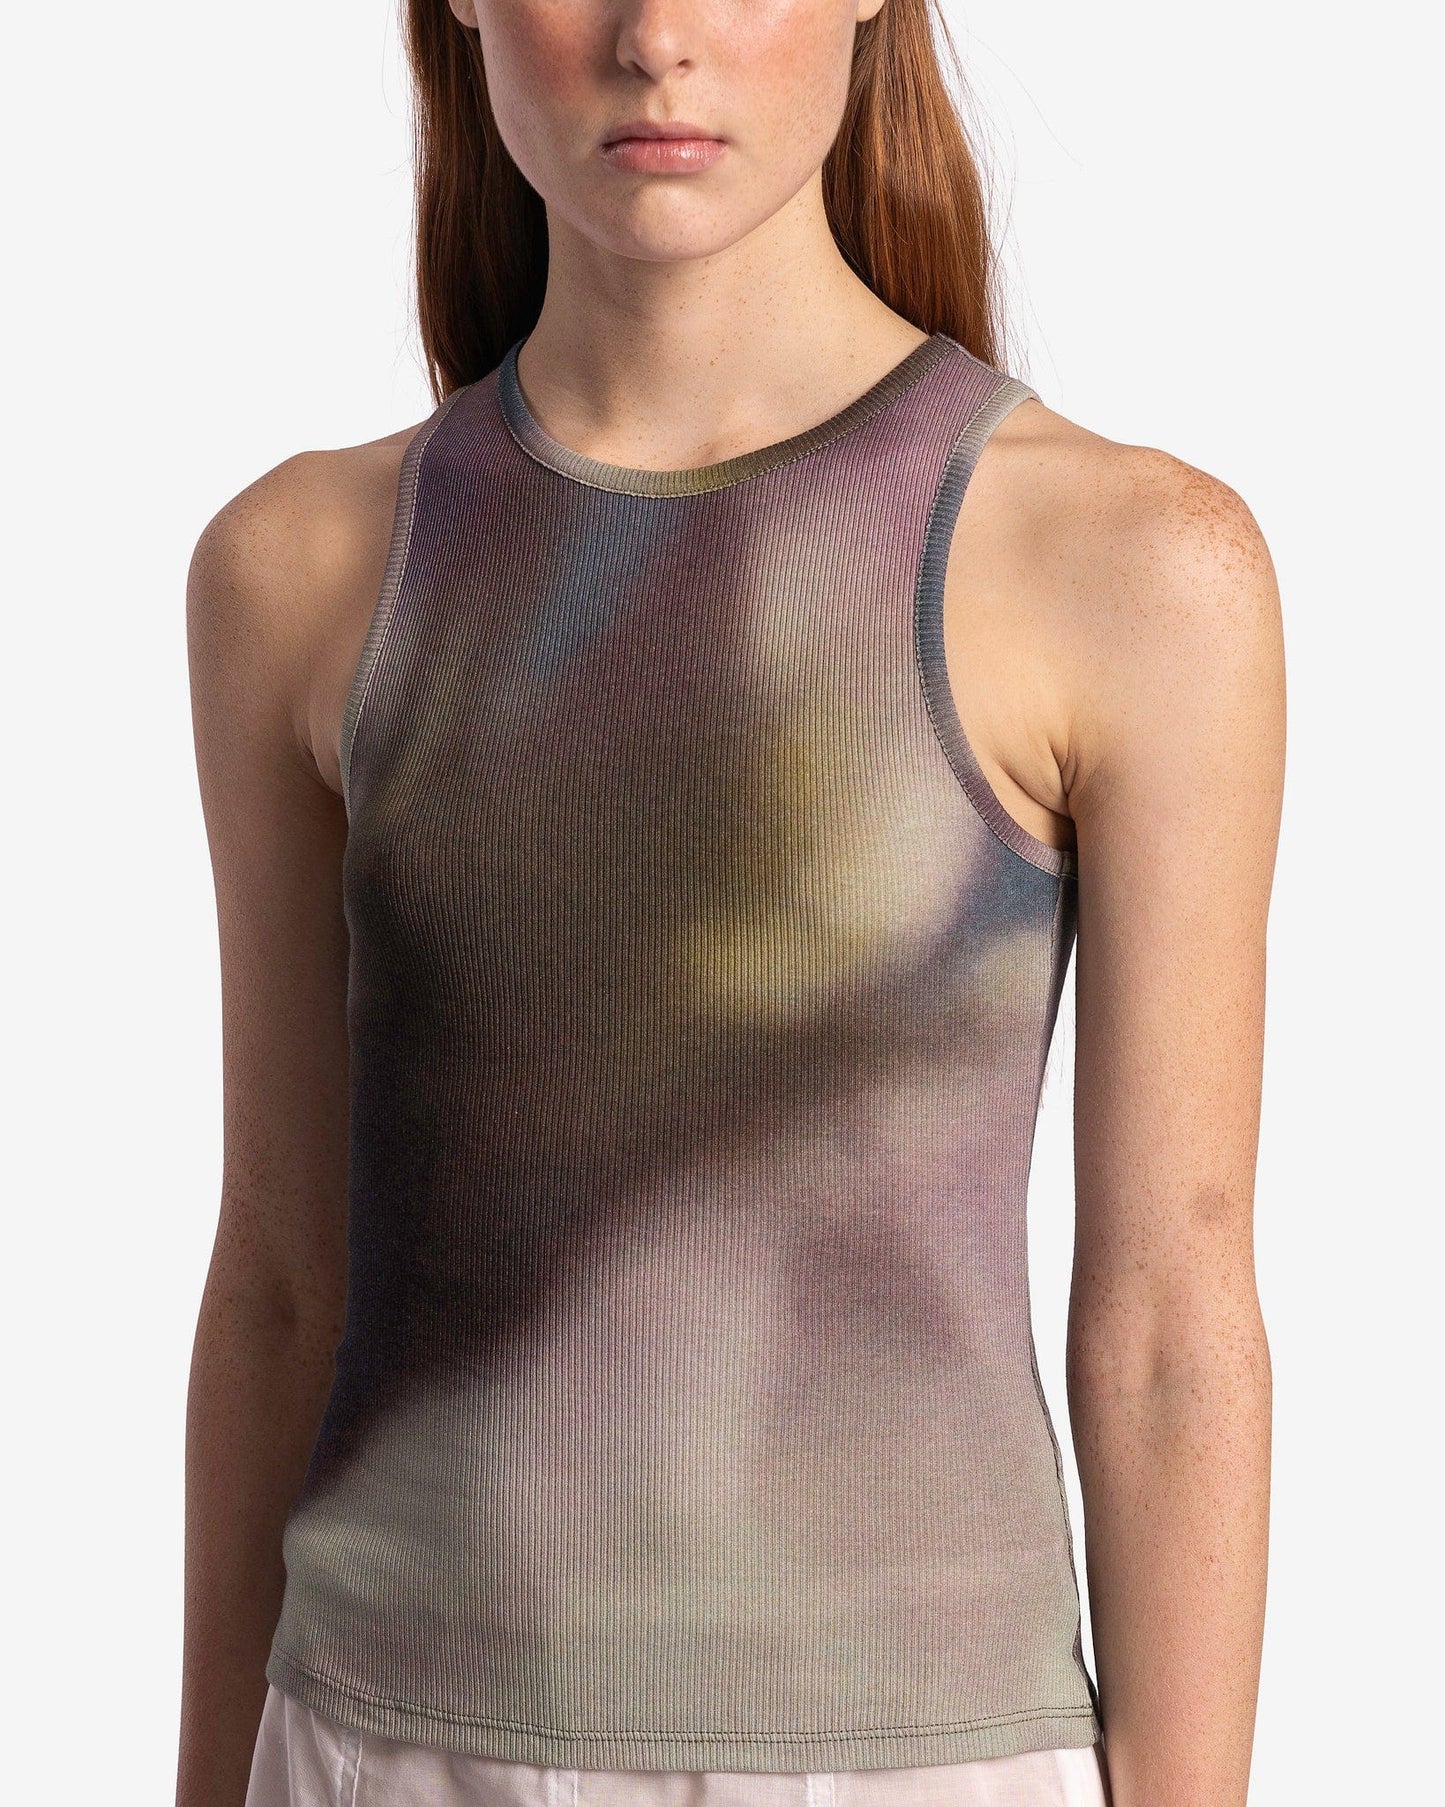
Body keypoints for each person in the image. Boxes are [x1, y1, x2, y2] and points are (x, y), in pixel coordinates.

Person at [176, 0, 1284, 1802]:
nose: (654, 37)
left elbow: (1171, 1316)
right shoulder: (301, 569)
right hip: (381, 1744)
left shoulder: (1129, 564)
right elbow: (279, 1284)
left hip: (918, 1758)